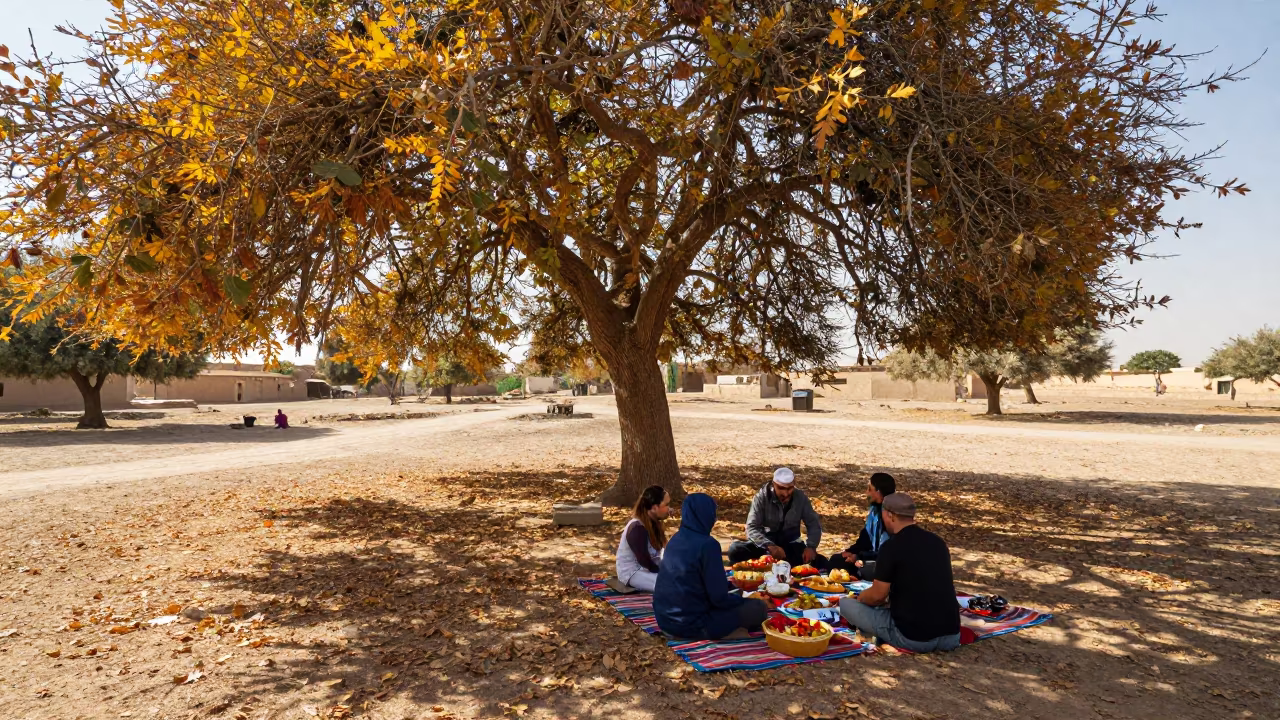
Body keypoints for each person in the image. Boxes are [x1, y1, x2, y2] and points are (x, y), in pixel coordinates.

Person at [838, 492, 961, 653]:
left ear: (890, 515)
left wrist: (860, 598)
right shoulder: (937, 542)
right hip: (951, 636)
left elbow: (877, 596)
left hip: (914, 638)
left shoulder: (891, 547)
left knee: (845, 604)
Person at [654, 493, 769, 640]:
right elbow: (719, 599)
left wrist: (731, 588)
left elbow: (696, 581)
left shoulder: (675, 539)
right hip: (691, 625)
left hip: (665, 620)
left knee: (739, 597)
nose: (714, 519)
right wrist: (745, 600)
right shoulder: (708, 545)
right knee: (758, 609)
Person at [726, 467, 826, 568]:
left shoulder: (800, 497)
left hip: (790, 545)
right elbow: (752, 527)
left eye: (789, 488)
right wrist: (770, 546)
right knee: (735, 550)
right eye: (781, 488)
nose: (786, 493)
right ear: (774, 484)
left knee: (821, 562)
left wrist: (811, 547)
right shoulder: (761, 497)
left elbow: (813, 524)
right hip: (765, 545)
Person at [826, 473, 895, 580]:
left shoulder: (889, 516)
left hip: (882, 562)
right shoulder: (874, 512)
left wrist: (859, 556)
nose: (866, 492)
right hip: (868, 556)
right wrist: (852, 551)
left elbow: (885, 552)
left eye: (869, 489)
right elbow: (865, 539)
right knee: (837, 560)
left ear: (878, 492)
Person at [614, 485, 670, 592]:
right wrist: (664, 573)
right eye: (666, 505)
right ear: (654, 508)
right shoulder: (637, 528)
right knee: (668, 585)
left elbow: (664, 549)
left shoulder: (654, 522)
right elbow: (644, 561)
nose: (669, 509)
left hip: (650, 568)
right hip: (633, 572)